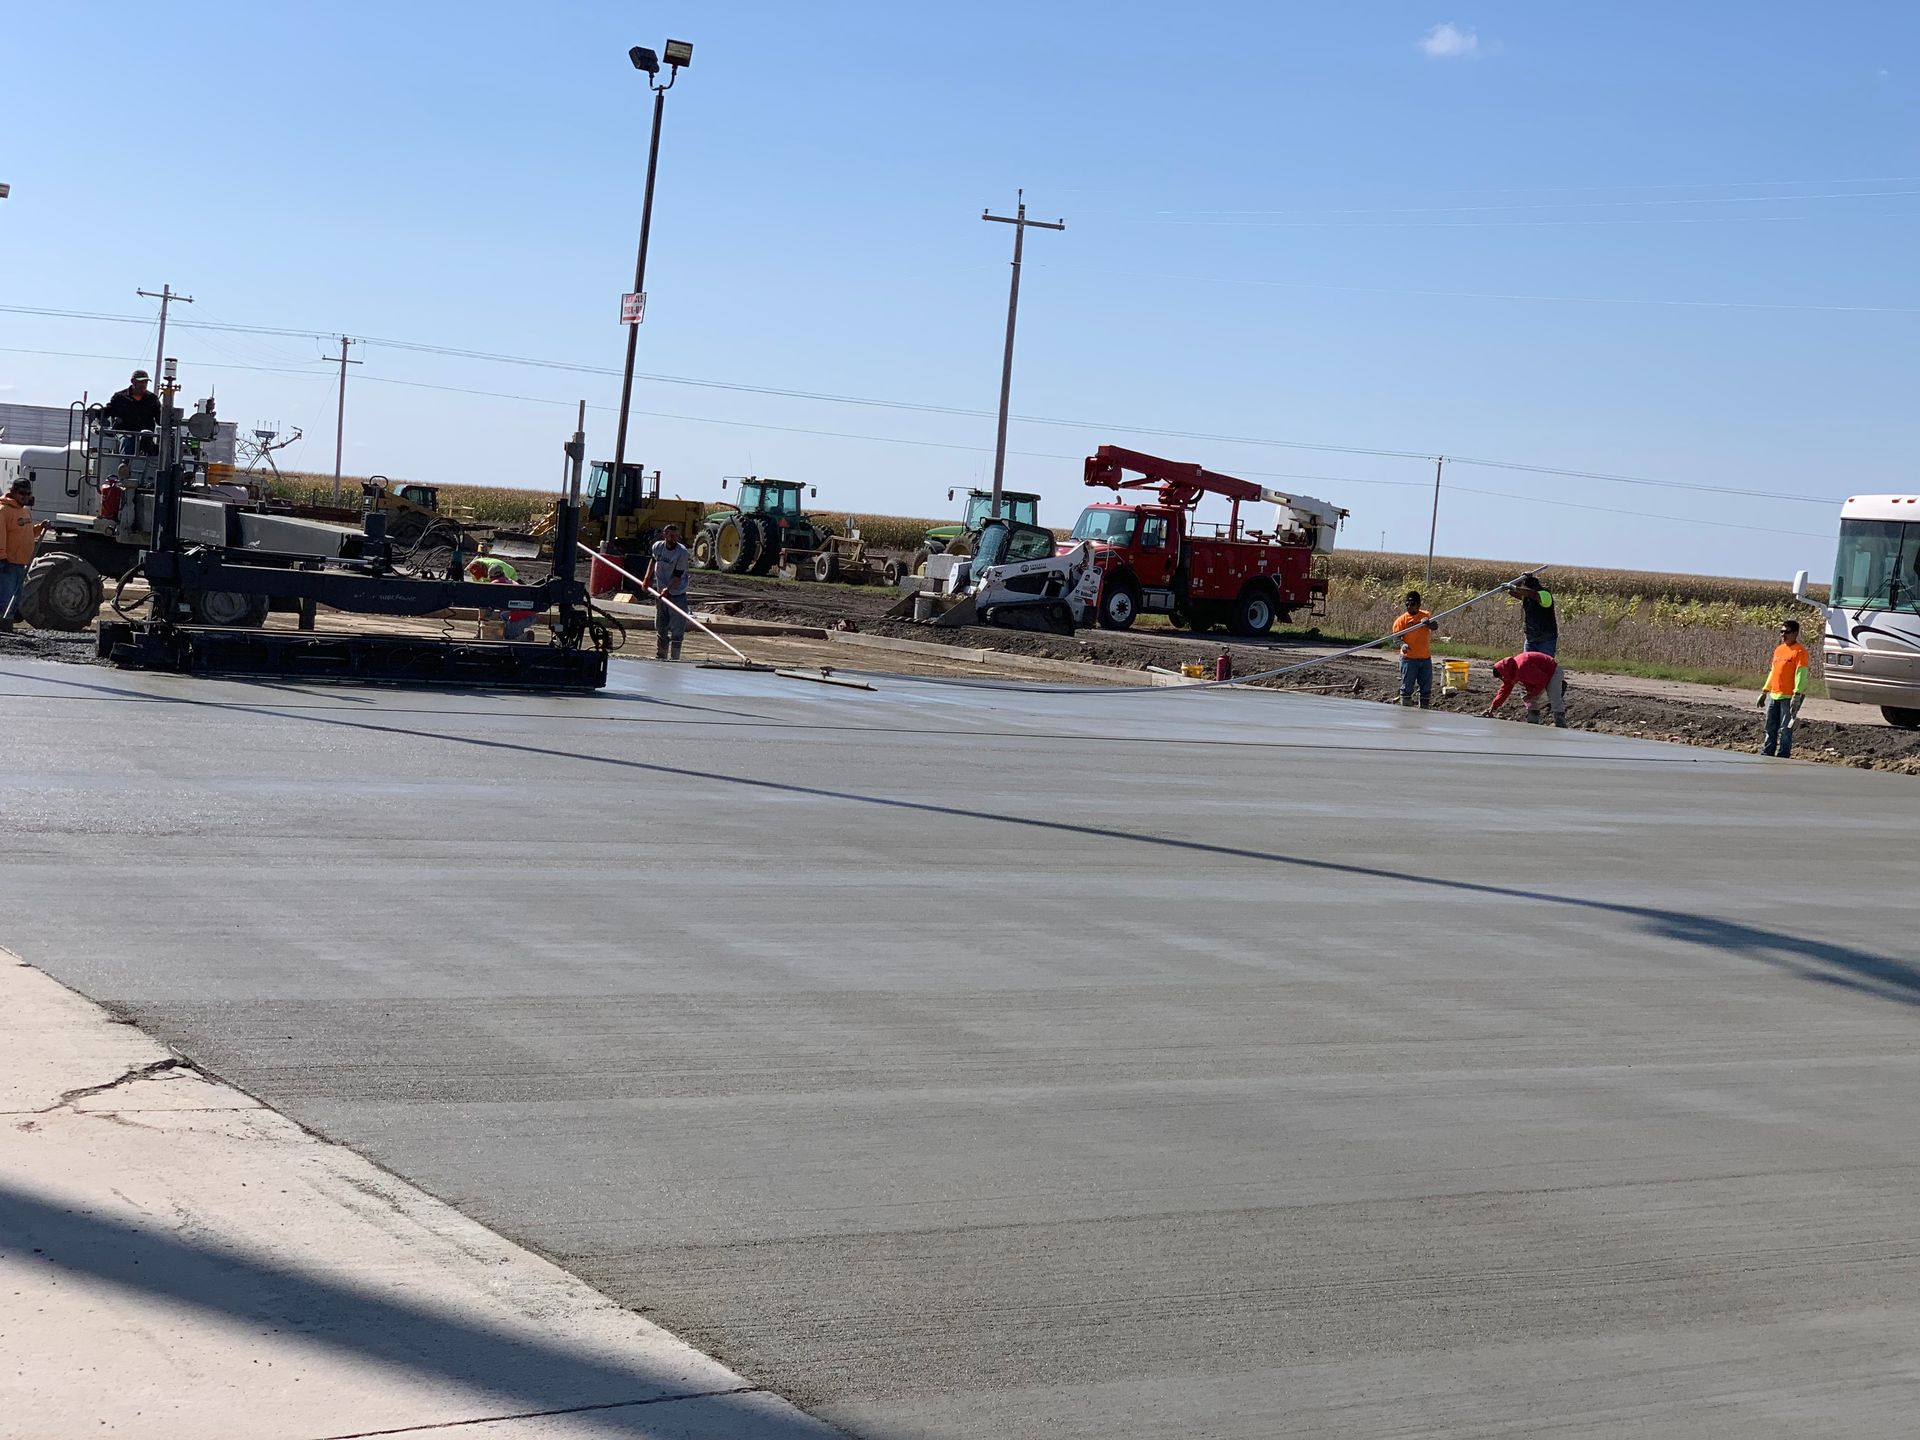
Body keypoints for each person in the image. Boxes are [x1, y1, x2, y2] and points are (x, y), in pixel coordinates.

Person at [1757, 618, 1811, 758]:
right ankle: (1767, 751)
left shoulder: (1799, 652)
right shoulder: (1779, 650)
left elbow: (1801, 673)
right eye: (1781, 632)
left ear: (1795, 633)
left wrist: (1797, 693)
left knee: (1785, 729)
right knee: (1770, 726)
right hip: (1774, 695)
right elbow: (1773, 671)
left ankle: (1783, 754)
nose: (1783, 635)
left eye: (1786, 632)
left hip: (1788, 697)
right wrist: (1765, 691)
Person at [0, 478, 47, 632]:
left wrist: (40, 528)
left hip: (21, 563)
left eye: (28, 494)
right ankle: (2, 624)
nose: (25, 497)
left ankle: (8, 624)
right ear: (12, 492)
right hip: (8, 563)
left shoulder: (25, 511)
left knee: (16, 597)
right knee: (6, 597)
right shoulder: (3, 511)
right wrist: (2, 558)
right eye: (21, 493)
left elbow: (28, 533)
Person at [643, 522, 692, 661]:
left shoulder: (681, 553)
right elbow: (653, 562)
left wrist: (668, 589)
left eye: (676, 536)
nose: (673, 538)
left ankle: (675, 658)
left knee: (677, 627)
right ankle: (661, 655)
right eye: (670, 535)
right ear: (664, 535)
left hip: (677, 593)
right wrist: (647, 578)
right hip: (661, 593)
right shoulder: (658, 547)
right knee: (661, 625)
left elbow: (677, 575)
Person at [1482, 649, 1567, 727]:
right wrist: (1492, 708)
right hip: (1536, 676)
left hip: (1552, 671)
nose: (1502, 679)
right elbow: (1504, 692)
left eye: (1501, 677)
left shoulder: (1523, 667)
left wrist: (1533, 693)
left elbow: (1542, 680)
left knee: (1554, 696)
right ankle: (1533, 721)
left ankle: (1560, 722)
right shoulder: (1509, 672)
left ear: (1504, 673)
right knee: (1526, 697)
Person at [465, 555, 534, 641]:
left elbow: (484, 602)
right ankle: (517, 633)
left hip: (521, 616)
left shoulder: (495, 585)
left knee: (507, 637)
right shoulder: (509, 581)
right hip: (530, 614)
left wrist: (482, 619)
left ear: (490, 576)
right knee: (504, 615)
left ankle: (525, 637)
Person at [1390, 588, 1439, 708]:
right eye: (1407, 604)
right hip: (1409, 659)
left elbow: (1435, 626)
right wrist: (1403, 645)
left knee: (1426, 688)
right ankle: (1405, 711)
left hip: (1425, 659)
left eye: (1412, 604)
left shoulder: (1426, 615)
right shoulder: (1401, 620)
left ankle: (1423, 710)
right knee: (1407, 687)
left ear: (1418, 604)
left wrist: (1428, 623)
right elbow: (1396, 638)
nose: (1409, 607)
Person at [1506, 573, 1558, 656]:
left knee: (1545, 664)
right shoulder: (1526, 597)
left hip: (1546, 639)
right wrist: (1519, 580)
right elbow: (1511, 592)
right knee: (1527, 663)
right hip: (1531, 638)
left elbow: (1532, 594)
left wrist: (1514, 587)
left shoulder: (1544, 594)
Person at [102, 369, 162, 435]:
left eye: (146, 382)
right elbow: (107, 412)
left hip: (146, 436)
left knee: (147, 441)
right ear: (133, 381)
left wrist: (171, 420)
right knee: (127, 441)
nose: (144, 384)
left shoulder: (152, 398)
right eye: (141, 382)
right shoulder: (119, 397)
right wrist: (95, 413)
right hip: (123, 434)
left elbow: (160, 419)